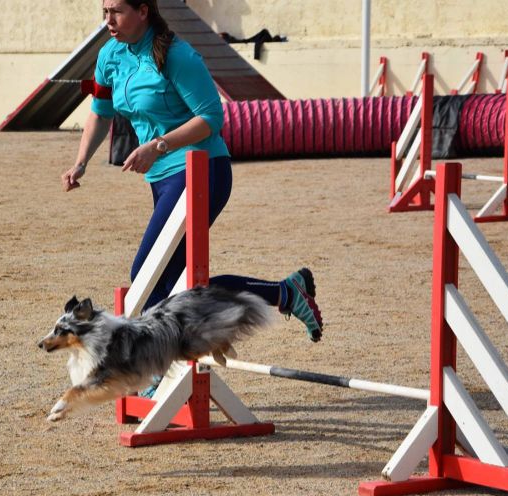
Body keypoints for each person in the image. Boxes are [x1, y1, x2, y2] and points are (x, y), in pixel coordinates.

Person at [61, 0, 323, 363]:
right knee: (177, 286)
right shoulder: (109, 56)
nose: (108, 20)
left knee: (147, 276)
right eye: (104, 11)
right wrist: (80, 162)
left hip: (202, 171)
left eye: (116, 11)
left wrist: (158, 145)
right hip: (162, 180)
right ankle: (284, 293)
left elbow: (212, 117)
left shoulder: (178, 56)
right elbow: (100, 113)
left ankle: (157, 372)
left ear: (143, 11)